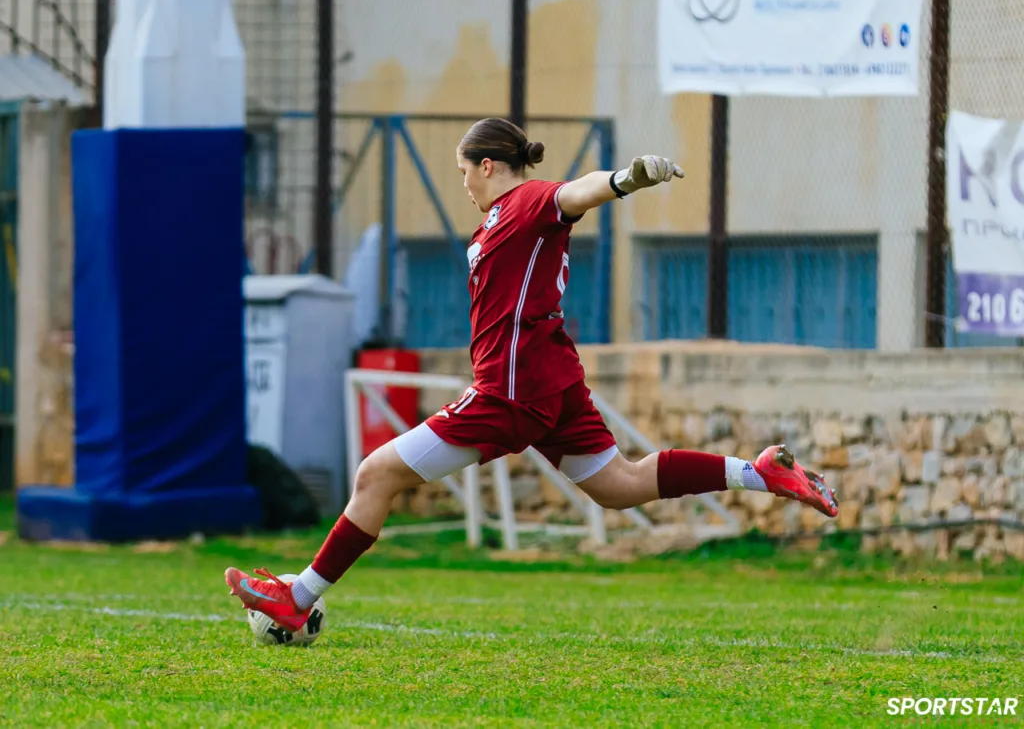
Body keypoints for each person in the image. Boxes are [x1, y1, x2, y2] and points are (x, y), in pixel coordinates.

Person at [225, 118, 838, 631]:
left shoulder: (523, 203)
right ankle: (754, 474)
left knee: (375, 472)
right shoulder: (495, 221)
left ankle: (297, 598)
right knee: (617, 485)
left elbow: (575, 195)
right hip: (549, 378)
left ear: (489, 164)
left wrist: (626, 179)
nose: (463, 185)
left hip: (512, 388)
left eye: (465, 172)